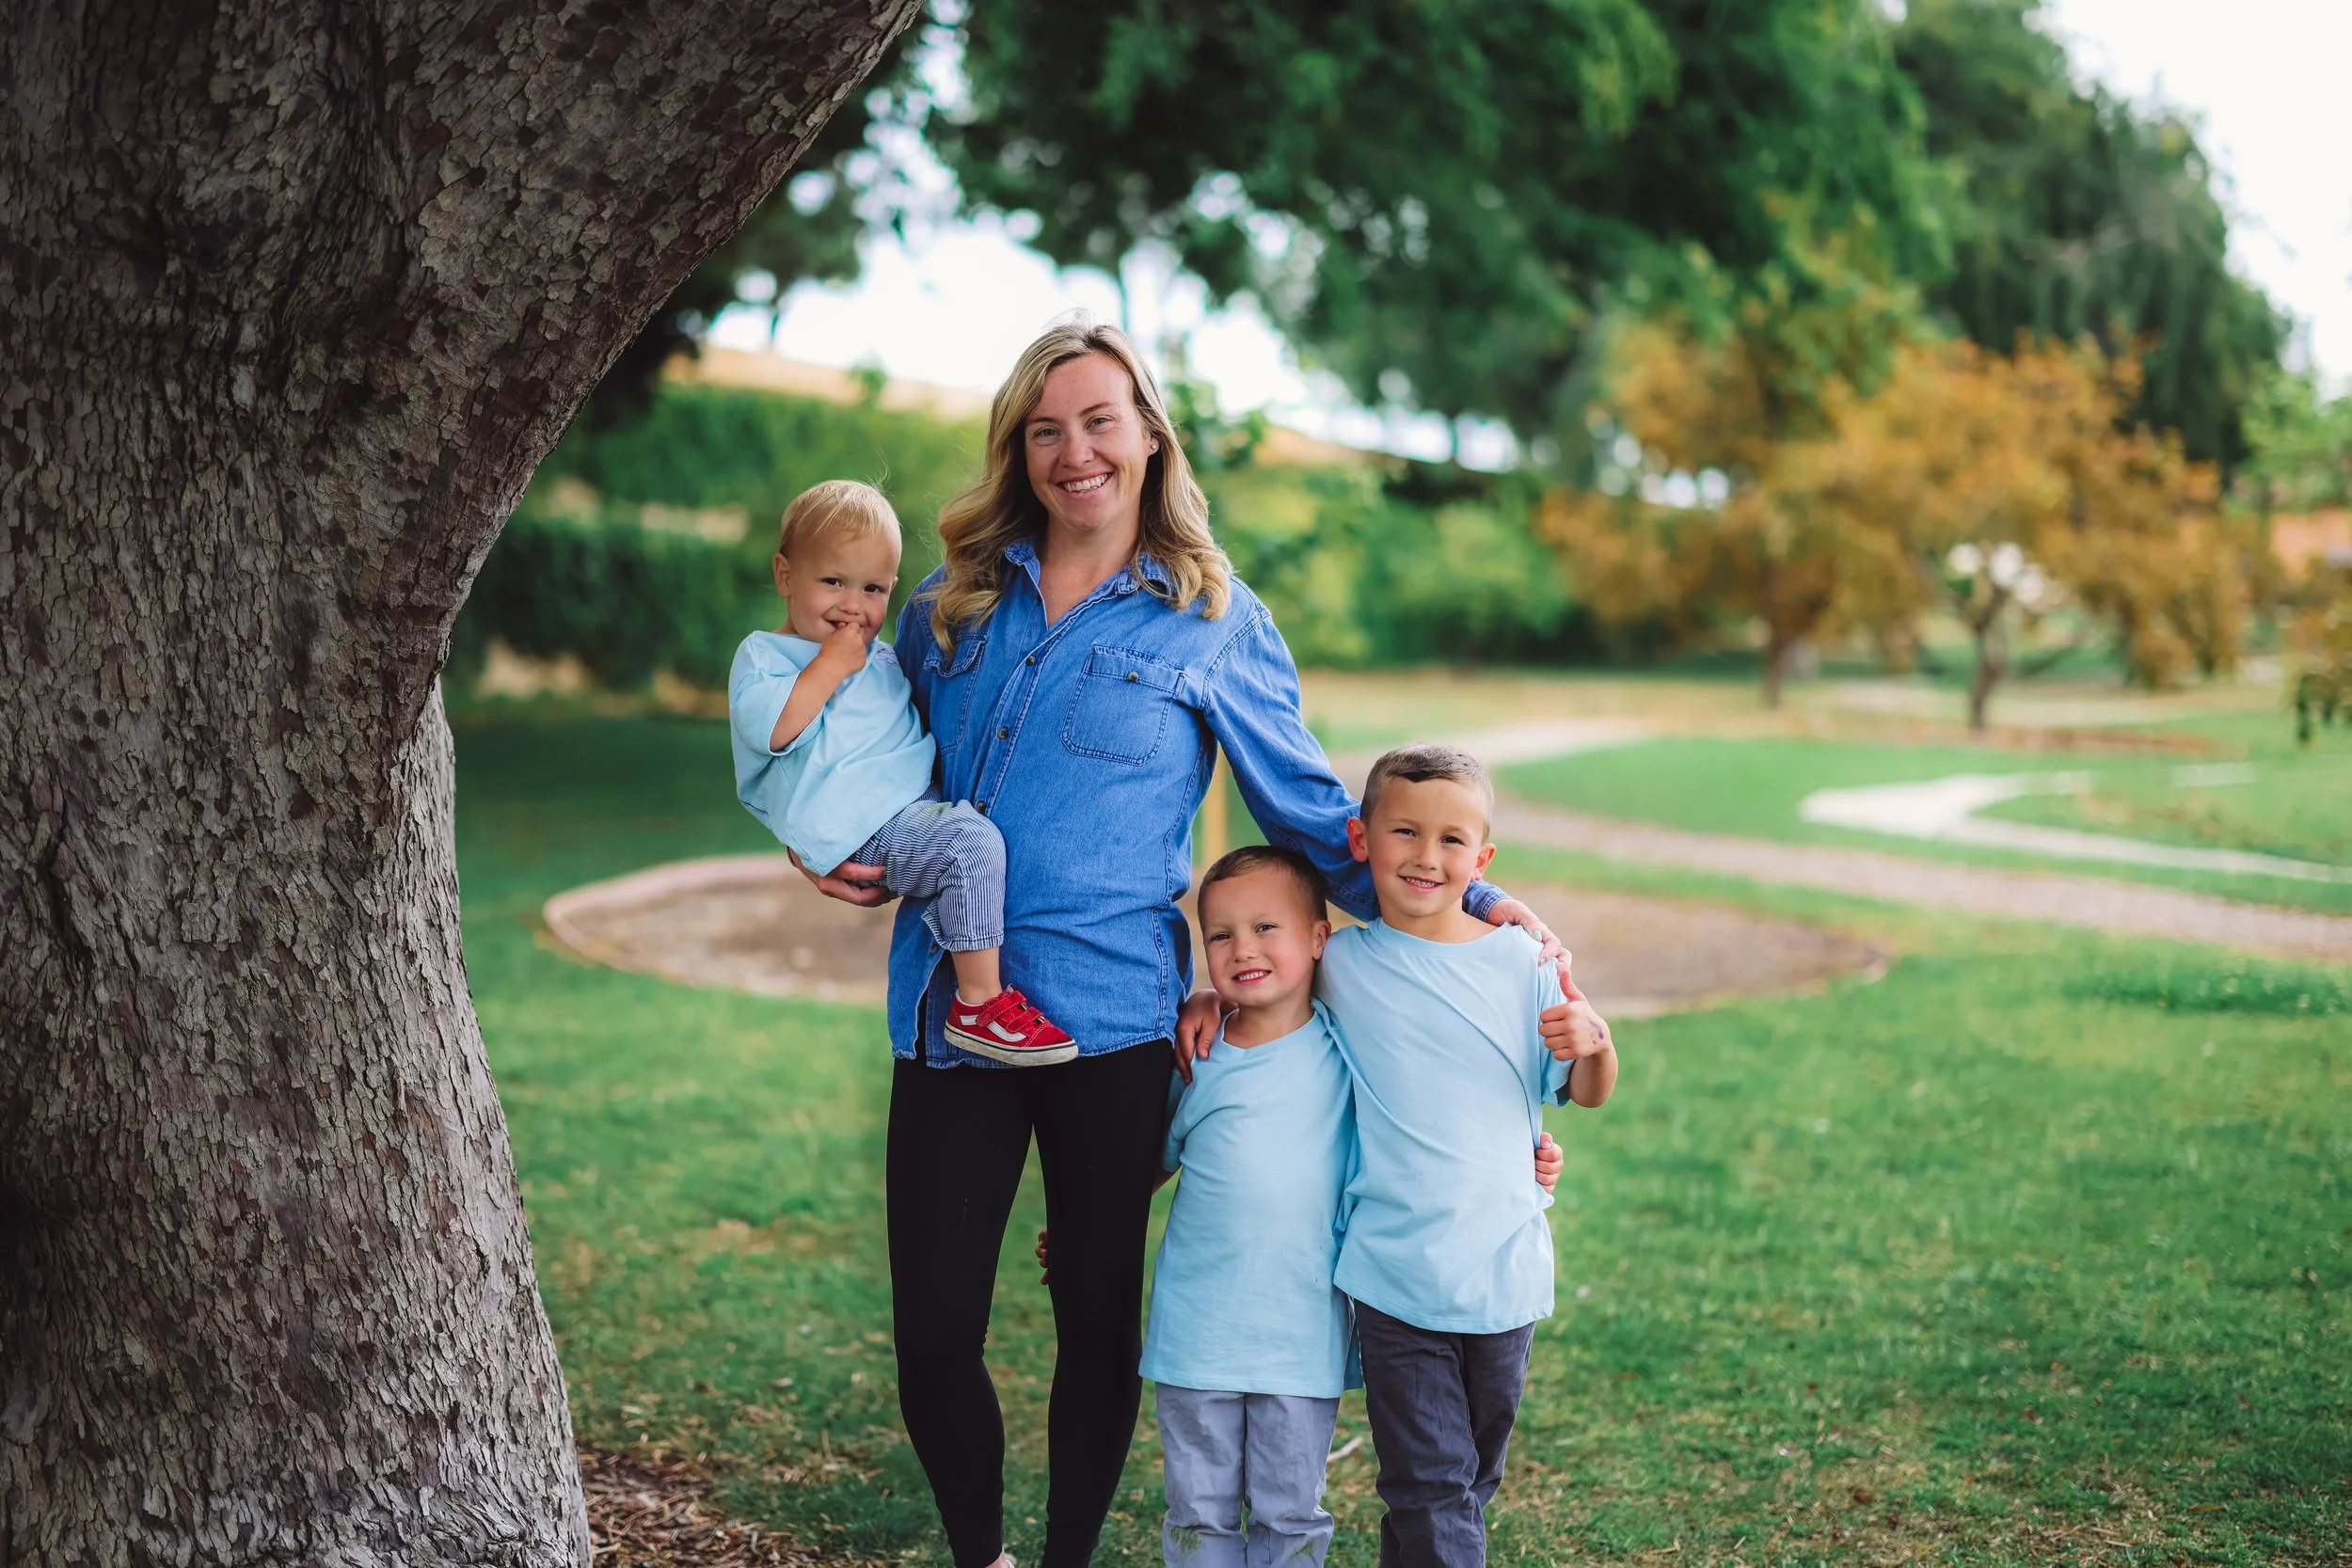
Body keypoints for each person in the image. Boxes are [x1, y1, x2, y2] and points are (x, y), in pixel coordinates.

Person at [792, 316, 1608, 1568]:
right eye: (1048, 428)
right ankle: (980, 1554)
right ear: (1019, 447)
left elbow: (1312, 818)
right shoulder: (946, 605)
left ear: (1150, 434)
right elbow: (862, 753)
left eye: (1101, 420)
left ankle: (1063, 1554)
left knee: (1097, 1321)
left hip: (1115, 1026)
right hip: (952, 1016)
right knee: (937, 1334)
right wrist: (819, 834)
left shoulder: (1214, 619)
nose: (1076, 452)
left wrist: (1475, 905)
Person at [1136, 846, 1565, 1568]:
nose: (1243, 949)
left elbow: (1429, 1119)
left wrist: (1526, 1160)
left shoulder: (1348, 1047)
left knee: (1290, 1514)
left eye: (1267, 927)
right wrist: (1088, 1225)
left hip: (1304, 1337)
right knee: (1198, 1513)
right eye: (1220, 935)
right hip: (1196, 1334)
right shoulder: (1196, 1055)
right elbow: (1148, 1165)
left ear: (1318, 939)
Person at [1317, 743, 1619, 1568]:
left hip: (1505, 1271)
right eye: (1405, 831)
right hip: (1394, 1271)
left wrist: (1592, 1042)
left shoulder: (1524, 960)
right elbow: (1261, 1004)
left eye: (1453, 840)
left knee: (1466, 1481)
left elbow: (1586, 1088)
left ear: (1482, 860)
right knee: (1429, 1483)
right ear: (1360, 839)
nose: (1426, 855)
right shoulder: (1338, 965)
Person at [728, 479, 1074, 1062]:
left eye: (872, 589)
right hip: (864, 826)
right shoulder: (765, 656)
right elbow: (774, 731)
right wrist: (832, 666)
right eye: (832, 581)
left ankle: (961, 937)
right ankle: (978, 1002)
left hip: (908, 806)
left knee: (966, 841)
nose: (853, 605)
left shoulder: (881, 657)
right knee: (970, 844)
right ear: (786, 576)